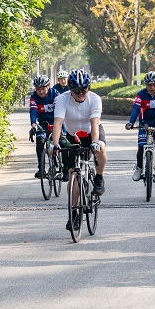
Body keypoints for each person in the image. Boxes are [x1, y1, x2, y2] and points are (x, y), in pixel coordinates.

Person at [49, 68, 107, 230]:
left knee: (101, 148)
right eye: (77, 91)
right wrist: (55, 144)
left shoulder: (94, 99)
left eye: (84, 90)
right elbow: (58, 123)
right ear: (70, 89)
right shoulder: (62, 99)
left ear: (89, 87)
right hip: (71, 135)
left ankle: (99, 177)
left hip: (91, 132)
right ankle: (73, 213)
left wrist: (94, 142)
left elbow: (95, 123)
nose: (81, 94)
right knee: (72, 175)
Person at [125, 71, 155, 180]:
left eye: (154, 85)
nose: (151, 87)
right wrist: (131, 122)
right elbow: (136, 109)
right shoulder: (140, 95)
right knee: (141, 146)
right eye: (149, 85)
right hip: (144, 125)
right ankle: (139, 168)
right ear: (145, 85)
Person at [29, 74, 61, 178]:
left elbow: (59, 111)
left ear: (48, 87)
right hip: (43, 123)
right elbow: (33, 111)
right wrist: (33, 125)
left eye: (43, 89)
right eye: (38, 89)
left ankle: (65, 170)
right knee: (40, 141)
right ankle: (41, 169)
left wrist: (58, 126)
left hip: (56, 121)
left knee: (63, 142)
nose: (41, 92)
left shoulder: (55, 94)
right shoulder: (34, 97)